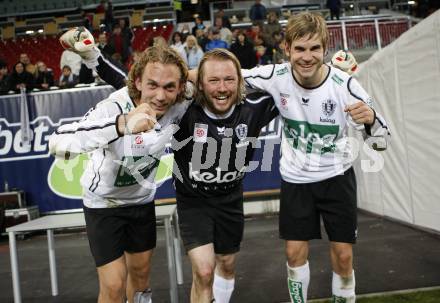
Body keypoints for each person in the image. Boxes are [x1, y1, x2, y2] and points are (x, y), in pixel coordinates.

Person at [241, 12, 390, 303]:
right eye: (299, 49)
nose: (307, 57)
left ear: (324, 49)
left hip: (337, 178)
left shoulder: (345, 85)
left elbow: (381, 142)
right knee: (293, 254)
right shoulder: (276, 76)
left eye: (314, 49)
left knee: (344, 256)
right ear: (287, 49)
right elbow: (224, 75)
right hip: (296, 180)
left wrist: (371, 119)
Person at [49, 43, 190, 303]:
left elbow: (218, 80)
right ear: (137, 81)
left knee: (140, 280)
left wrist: (94, 56)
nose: (160, 95)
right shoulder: (112, 108)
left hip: (141, 202)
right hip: (103, 204)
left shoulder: (180, 102)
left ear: (180, 87)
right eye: (152, 85)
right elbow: (57, 143)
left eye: (169, 86)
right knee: (114, 286)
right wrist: (122, 125)